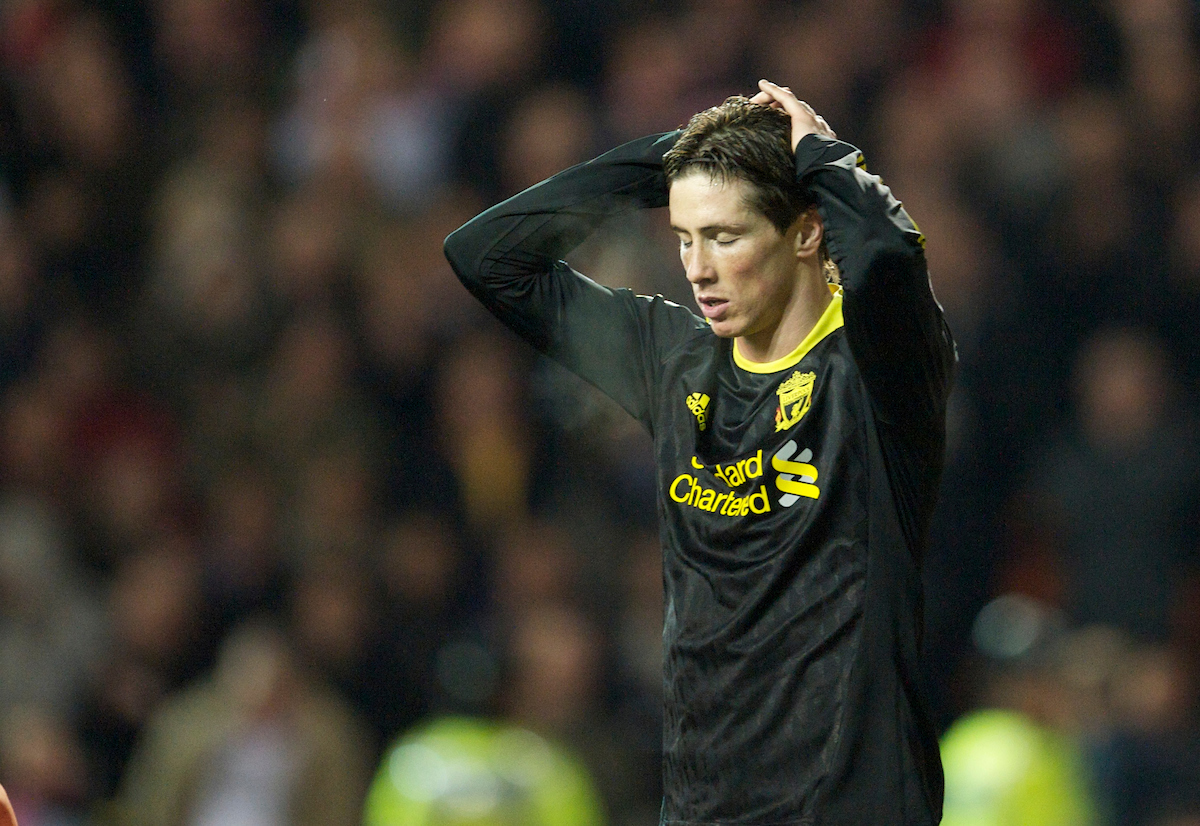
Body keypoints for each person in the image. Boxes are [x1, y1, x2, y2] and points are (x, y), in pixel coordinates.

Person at [444, 79, 956, 825]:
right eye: (684, 238)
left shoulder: (877, 375)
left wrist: (819, 155)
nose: (698, 270)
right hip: (702, 810)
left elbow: (884, 255)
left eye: (725, 236)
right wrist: (678, 160)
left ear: (807, 231)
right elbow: (487, 256)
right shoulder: (674, 361)